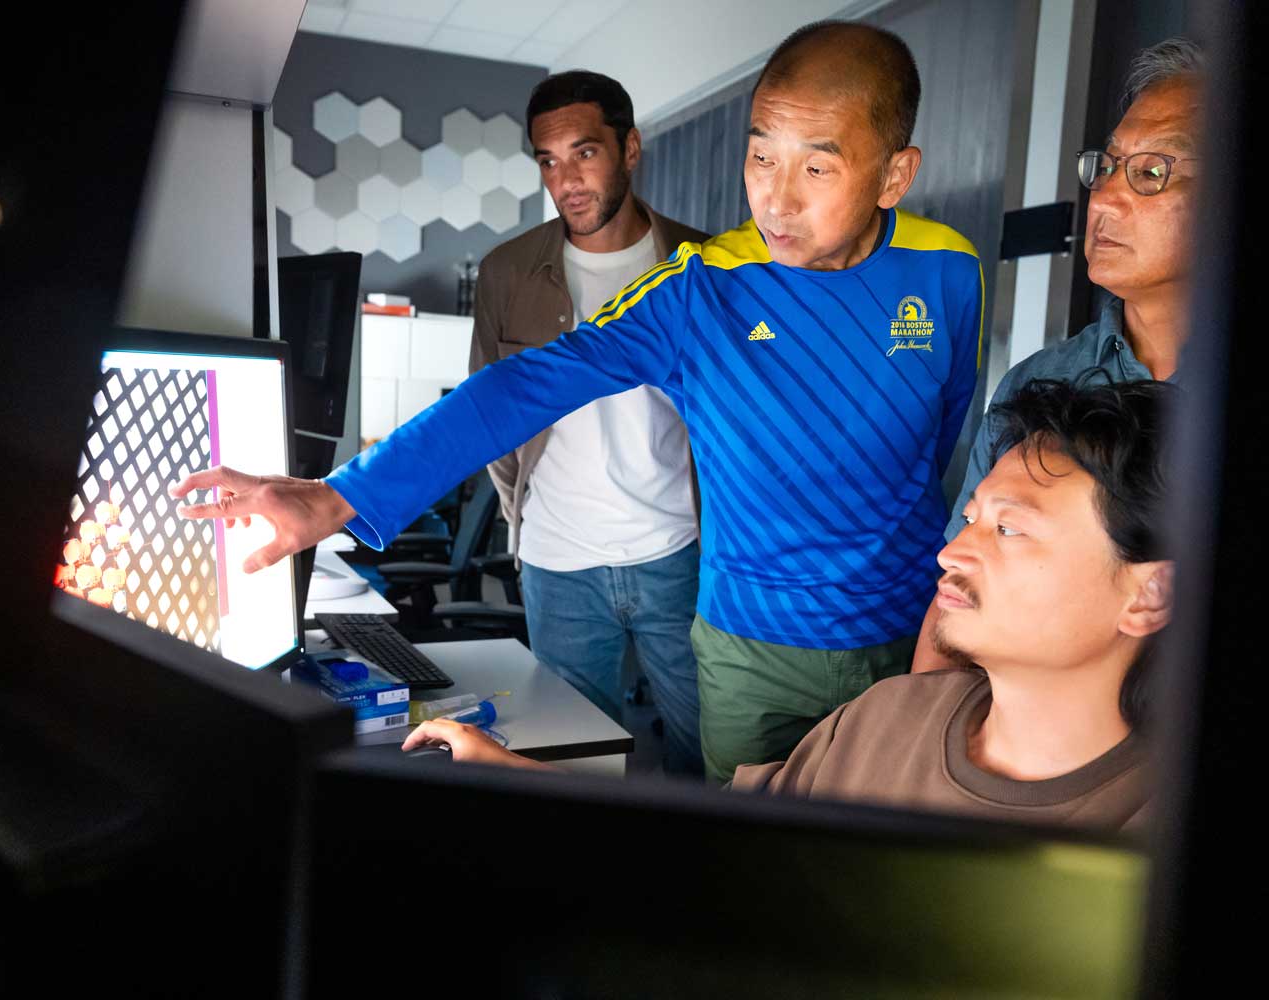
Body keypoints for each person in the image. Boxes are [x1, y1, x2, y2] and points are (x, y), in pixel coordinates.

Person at [169, 21, 984, 783]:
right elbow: (521, 387)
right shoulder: (701, 291)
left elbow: (937, 447)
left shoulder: (949, 272)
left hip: (908, 640)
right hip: (752, 653)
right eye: (761, 156)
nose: (775, 198)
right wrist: (341, 494)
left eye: (817, 166)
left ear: (894, 173)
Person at [404, 379, 1172, 833]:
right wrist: (513, 776)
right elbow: (720, 847)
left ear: (1150, 592)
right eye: (970, 517)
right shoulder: (884, 721)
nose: (952, 551)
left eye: (1009, 529)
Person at [912, 36, 1201, 673]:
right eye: (1107, 166)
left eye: (1153, 173)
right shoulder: (1041, 384)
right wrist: (915, 738)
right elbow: (959, 587)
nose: (1106, 197)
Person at [468, 71, 709, 777]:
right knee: (573, 767)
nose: (565, 179)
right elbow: (492, 413)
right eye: (547, 160)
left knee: (710, 759)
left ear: (630, 148)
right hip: (558, 562)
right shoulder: (507, 273)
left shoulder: (705, 264)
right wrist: (523, 514)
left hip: (679, 553)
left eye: (584, 153)